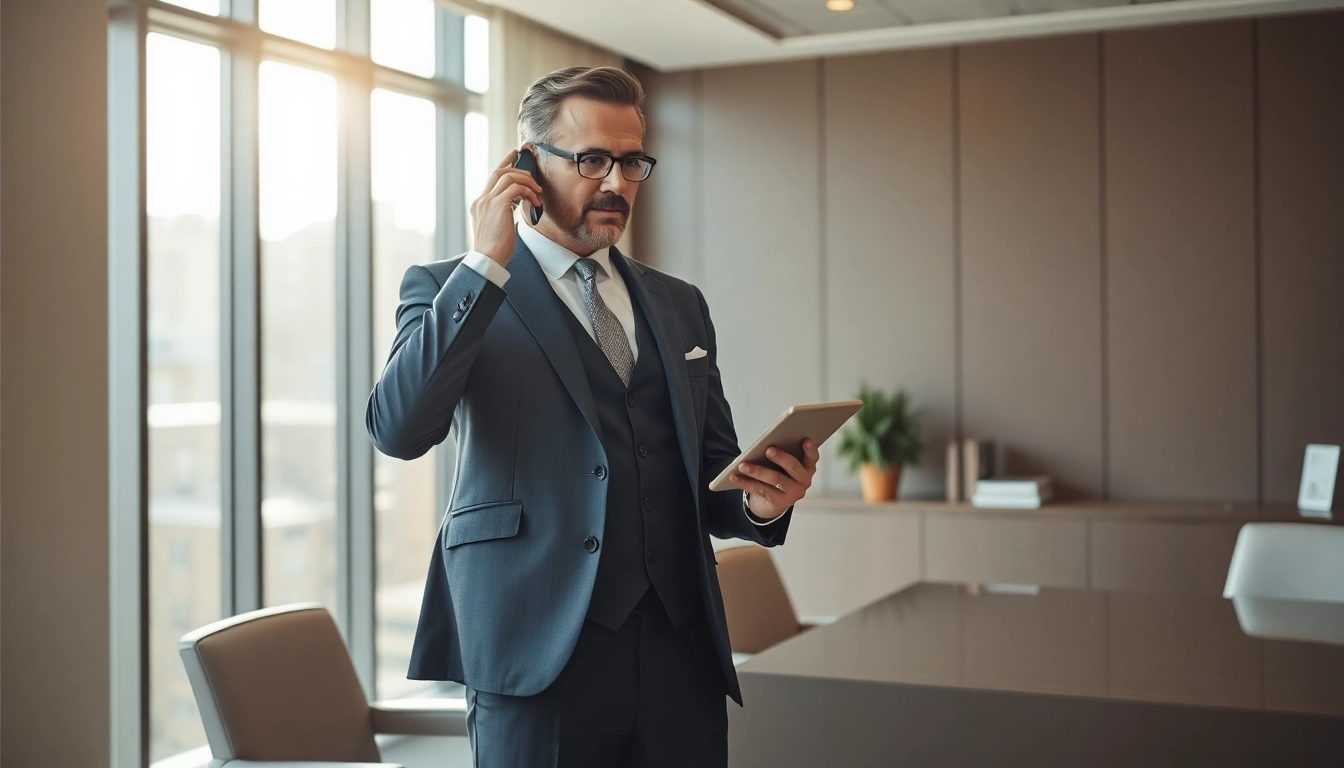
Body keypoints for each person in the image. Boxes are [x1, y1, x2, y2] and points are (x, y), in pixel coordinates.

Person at [366, 65, 818, 767]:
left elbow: (708, 475)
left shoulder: (679, 303)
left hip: (681, 654)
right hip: (534, 651)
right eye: (591, 160)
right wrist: (487, 262)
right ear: (526, 167)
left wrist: (760, 501)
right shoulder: (449, 288)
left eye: (631, 161)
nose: (616, 182)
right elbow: (397, 429)